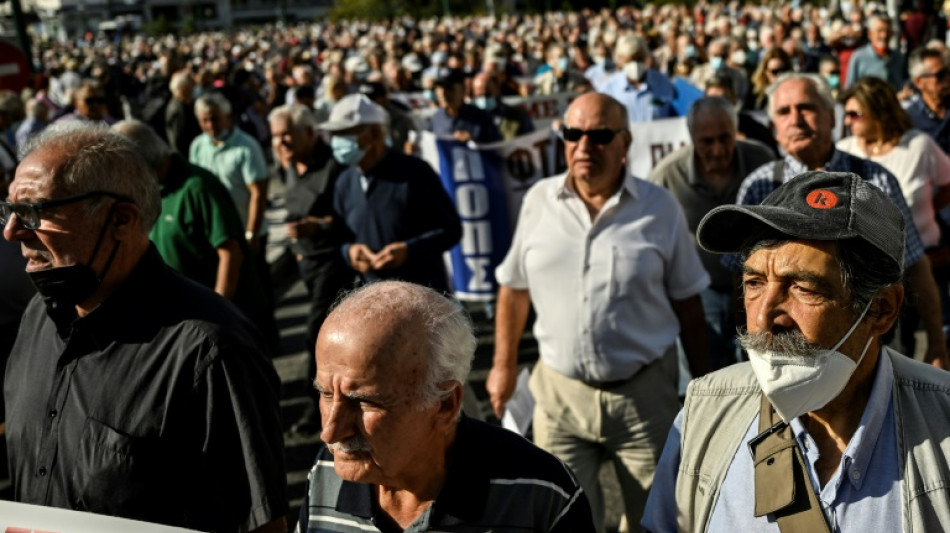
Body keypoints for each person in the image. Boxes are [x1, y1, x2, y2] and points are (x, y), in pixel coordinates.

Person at [2, 122, 287, 532]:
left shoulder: (209, 353)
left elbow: (259, 525)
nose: (12, 232)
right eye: (9, 211)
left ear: (121, 219)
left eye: (34, 212)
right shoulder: (37, 319)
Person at [642, 170, 950, 532]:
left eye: (803, 287)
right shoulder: (705, 412)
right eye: (754, 283)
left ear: (881, 309)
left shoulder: (941, 424)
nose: (761, 318)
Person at [488, 92, 710, 533]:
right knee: (562, 519)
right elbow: (514, 288)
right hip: (559, 399)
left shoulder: (659, 208)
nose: (584, 147)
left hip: (643, 398)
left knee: (657, 521)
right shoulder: (537, 200)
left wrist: (705, 395)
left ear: (625, 142)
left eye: (600, 135)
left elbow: (689, 304)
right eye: (573, 134)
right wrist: (502, 365)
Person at [296, 281, 596, 532]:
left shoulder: (538, 493)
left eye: (364, 401)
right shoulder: (327, 471)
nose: (331, 431)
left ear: (445, 406)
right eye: (324, 394)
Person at [734, 72, 948, 368]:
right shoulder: (758, 188)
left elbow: (913, 264)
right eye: (784, 112)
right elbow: (742, 281)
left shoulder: (875, 181)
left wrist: (937, 342)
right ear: (773, 128)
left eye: (806, 108)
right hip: (781, 351)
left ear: (832, 118)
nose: (795, 119)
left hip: (866, 355)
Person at [111, 119, 276, 340]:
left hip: (222, 323)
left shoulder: (198, 186)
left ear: (142, 162)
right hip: (186, 322)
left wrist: (218, 315)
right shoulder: (148, 192)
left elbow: (230, 253)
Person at [650, 97, 775, 370]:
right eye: (707, 142)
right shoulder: (667, 176)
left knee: (762, 369)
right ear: (692, 139)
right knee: (707, 375)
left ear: (735, 132)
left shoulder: (761, 160)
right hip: (701, 293)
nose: (718, 150)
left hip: (756, 287)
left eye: (724, 138)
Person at [837, 76, 950, 355]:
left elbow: (948, 181)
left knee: (928, 341)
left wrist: (927, 213)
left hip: (923, 262)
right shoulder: (845, 151)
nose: (848, 121)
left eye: (855, 114)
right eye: (846, 114)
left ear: (879, 110)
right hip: (874, 271)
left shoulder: (918, 146)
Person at [269, 103, 353, 435]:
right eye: (276, 136)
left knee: (315, 335)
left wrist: (317, 225)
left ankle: (315, 407)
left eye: (287, 134)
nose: (282, 143)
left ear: (309, 133)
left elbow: (350, 215)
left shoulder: (335, 166)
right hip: (308, 263)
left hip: (336, 262)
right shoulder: (289, 166)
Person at [324, 94, 461, 292]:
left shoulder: (415, 172)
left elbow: (451, 230)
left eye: (346, 134)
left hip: (422, 298)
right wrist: (350, 252)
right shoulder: (345, 181)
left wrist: (409, 251)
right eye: (335, 135)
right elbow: (338, 235)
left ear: (375, 134)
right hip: (372, 299)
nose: (337, 142)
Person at [596, 34, 678, 122]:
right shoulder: (609, 89)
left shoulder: (662, 82)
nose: (635, 64)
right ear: (620, 60)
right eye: (629, 60)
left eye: (639, 59)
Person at [430, 67, 501, 144]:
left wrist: (474, 143)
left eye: (449, 88)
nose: (443, 94)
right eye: (439, 89)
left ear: (463, 90)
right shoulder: (436, 118)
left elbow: (498, 149)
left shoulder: (481, 118)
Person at [845, 14, 909, 90]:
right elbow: (850, 89)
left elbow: (905, 85)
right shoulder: (859, 57)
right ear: (870, 34)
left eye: (887, 31)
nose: (884, 35)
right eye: (879, 31)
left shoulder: (898, 58)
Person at [906, 46, 950, 155]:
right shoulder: (909, 120)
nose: (947, 79)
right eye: (940, 75)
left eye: (947, 72)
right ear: (919, 82)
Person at [471, 72, 535, 141]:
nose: (483, 98)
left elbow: (530, 140)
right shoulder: (468, 118)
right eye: (479, 96)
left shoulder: (516, 116)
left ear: (498, 89)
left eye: (487, 95)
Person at [165, 69, 201, 157]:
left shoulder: (186, 105)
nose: (194, 88)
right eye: (192, 85)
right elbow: (178, 140)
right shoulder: (178, 109)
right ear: (184, 88)